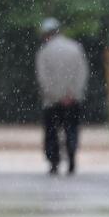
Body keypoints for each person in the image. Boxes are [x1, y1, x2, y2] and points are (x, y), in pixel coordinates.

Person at [34, 18, 88, 175]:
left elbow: (43, 78)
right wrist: (72, 93)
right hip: (73, 99)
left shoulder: (44, 52)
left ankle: (54, 162)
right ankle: (71, 156)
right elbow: (82, 73)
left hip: (52, 101)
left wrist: (56, 95)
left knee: (51, 132)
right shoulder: (75, 48)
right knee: (71, 129)